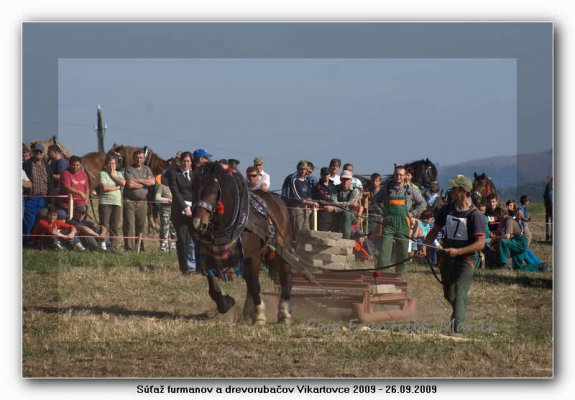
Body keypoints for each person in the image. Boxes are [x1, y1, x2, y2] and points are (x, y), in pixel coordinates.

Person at [419, 174, 485, 335]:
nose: (451, 191)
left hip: (467, 259)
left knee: (460, 290)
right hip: (447, 257)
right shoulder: (446, 210)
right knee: (449, 294)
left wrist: (459, 251)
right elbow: (434, 230)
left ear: (462, 191)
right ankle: (459, 309)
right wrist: (425, 246)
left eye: (454, 188)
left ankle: (457, 330)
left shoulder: (475, 215)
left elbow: (480, 243)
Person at [373, 165, 427, 278]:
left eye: (401, 175)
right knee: (384, 250)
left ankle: (400, 278)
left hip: (404, 223)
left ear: (404, 176)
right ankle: (383, 277)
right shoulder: (387, 188)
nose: (398, 176)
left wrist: (413, 213)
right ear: (394, 174)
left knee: (402, 252)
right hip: (388, 224)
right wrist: (382, 212)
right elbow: (375, 200)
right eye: (396, 174)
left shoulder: (410, 190)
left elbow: (423, 203)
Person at [167, 151, 195, 274]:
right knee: (182, 239)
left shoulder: (195, 174)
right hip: (180, 211)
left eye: (188, 161)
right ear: (180, 161)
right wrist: (185, 207)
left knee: (193, 240)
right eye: (184, 161)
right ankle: (184, 268)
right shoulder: (174, 173)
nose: (186, 163)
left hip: (194, 211)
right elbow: (175, 192)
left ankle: (194, 265)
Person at [123, 149, 155, 251]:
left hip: (143, 202)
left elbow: (152, 182)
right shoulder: (129, 169)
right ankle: (129, 248)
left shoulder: (147, 169)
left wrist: (138, 180)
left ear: (144, 159)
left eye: (141, 157)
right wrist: (144, 183)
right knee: (129, 225)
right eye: (136, 157)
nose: (139, 159)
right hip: (130, 201)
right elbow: (130, 184)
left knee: (141, 225)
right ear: (133, 158)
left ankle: (139, 247)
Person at [23, 143, 55, 246]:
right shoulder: (26, 164)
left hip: (44, 199)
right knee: (29, 222)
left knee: (41, 222)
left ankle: (37, 242)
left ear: (43, 153)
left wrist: (51, 199)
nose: (38, 153)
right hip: (31, 198)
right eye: (36, 151)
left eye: (40, 151)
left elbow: (51, 183)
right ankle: (26, 243)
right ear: (33, 152)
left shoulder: (47, 166)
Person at [496, 208, 546, 272]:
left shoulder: (509, 220)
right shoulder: (504, 221)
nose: (496, 216)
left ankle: (504, 264)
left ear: (501, 213)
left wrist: (495, 238)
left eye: (497, 214)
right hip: (515, 242)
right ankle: (539, 267)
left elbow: (507, 236)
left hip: (520, 242)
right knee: (517, 269)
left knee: (503, 242)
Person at [281, 160, 318, 234]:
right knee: (298, 230)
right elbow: (297, 196)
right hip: (297, 209)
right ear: (297, 169)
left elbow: (308, 196)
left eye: (304, 169)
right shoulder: (294, 180)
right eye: (301, 169)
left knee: (306, 230)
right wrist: (311, 203)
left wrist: (311, 203)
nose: (303, 171)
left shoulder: (305, 181)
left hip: (305, 208)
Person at [98, 154, 125, 252]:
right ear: (105, 165)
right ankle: (102, 245)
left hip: (117, 203)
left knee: (115, 226)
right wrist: (117, 187)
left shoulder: (119, 173)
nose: (111, 166)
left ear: (116, 164)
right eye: (109, 164)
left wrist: (113, 175)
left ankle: (113, 247)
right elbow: (105, 188)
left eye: (113, 163)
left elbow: (123, 183)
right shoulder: (103, 174)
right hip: (105, 202)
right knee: (104, 225)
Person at [323, 170, 361, 239]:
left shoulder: (355, 190)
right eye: (343, 179)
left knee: (346, 214)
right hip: (336, 214)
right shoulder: (335, 188)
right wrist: (348, 203)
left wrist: (334, 208)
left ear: (351, 180)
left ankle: (346, 240)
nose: (345, 181)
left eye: (347, 179)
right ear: (340, 179)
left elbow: (349, 208)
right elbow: (333, 202)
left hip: (351, 215)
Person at [58, 155, 90, 220]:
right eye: (73, 165)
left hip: (81, 205)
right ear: (69, 164)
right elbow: (67, 187)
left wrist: (87, 197)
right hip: (67, 205)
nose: (75, 167)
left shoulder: (83, 174)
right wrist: (80, 193)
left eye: (77, 165)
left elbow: (87, 188)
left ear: (80, 165)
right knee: (63, 216)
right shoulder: (65, 173)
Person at [155, 173, 176, 252]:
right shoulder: (162, 187)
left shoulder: (175, 188)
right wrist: (167, 200)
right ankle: (164, 249)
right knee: (165, 230)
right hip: (165, 212)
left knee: (174, 231)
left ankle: (173, 249)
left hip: (174, 212)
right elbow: (157, 198)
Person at [311, 167, 335, 231]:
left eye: (327, 174)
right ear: (321, 175)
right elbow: (313, 198)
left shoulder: (333, 186)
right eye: (324, 174)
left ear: (330, 174)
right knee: (323, 231)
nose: (326, 176)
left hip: (333, 212)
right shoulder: (317, 186)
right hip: (322, 213)